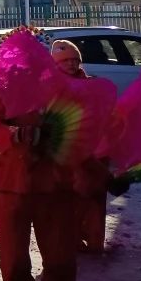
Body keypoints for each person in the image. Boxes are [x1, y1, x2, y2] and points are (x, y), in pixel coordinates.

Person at [0, 36, 80, 281]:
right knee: (14, 265)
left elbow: (84, 138)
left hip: (55, 188)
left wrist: (104, 175)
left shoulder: (63, 95)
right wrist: (15, 134)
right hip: (10, 187)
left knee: (61, 262)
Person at [51, 39, 122, 254]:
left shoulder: (92, 84)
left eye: (75, 60)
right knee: (74, 195)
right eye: (65, 61)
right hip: (69, 150)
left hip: (96, 147)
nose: (71, 64)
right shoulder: (51, 86)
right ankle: (71, 238)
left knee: (97, 194)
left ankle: (94, 239)